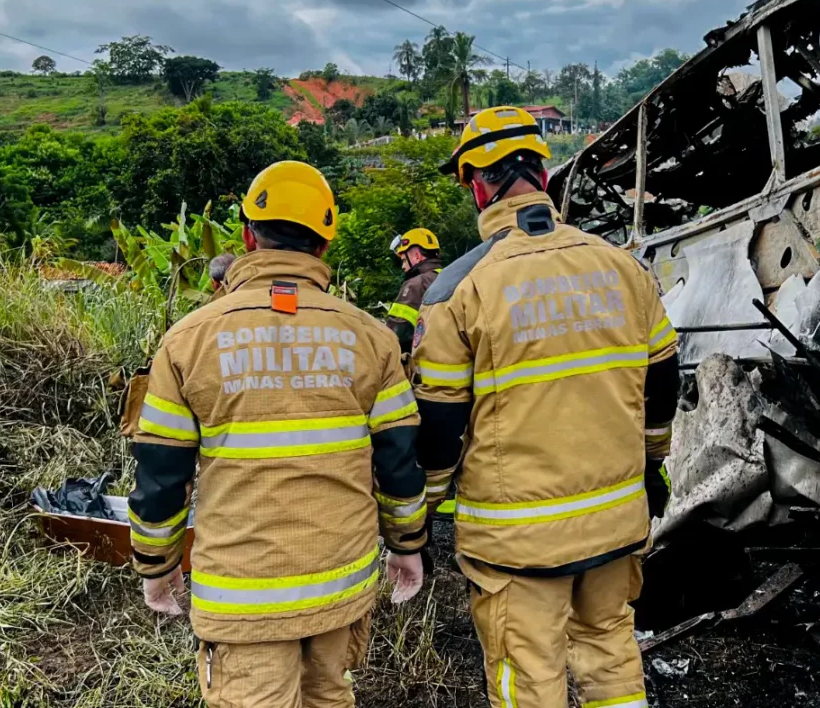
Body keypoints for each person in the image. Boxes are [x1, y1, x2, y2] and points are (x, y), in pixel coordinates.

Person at [128, 162, 428, 708]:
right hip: (341, 585)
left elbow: (160, 471)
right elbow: (400, 462)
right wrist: (408, 546)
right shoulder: (371, 338)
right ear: (324, 242)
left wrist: (157, 564)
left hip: (243, 597)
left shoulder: (188, 340)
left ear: (248, 236)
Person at [412, 106, 680, 707]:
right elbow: (663, 382)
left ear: (478, 185)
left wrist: (422, 514)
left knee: (527, 674)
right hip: (616, 518)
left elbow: (440, 426)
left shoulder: (457, 290)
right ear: (545, 177)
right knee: (611, 652)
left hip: (518, 541)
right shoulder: (623, 268)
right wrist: (651, 465)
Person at [385, 228, 442, 357]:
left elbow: (397, 332)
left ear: (416, 256)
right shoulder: (448, 277)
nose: (403, 267)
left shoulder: (416, 285)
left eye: (404, 260)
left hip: (425, 365)